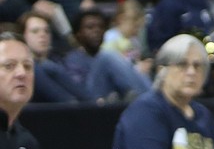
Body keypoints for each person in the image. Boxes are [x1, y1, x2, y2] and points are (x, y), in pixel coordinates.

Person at [23, 10, 151, 103]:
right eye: (35, 31)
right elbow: (69, 92)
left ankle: (149, 96)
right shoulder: (45, 66)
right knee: (107, 57)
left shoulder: (57, 57)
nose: (42, 35)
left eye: (46, 31)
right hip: (85, 101)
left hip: (98, 96)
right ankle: (149, 99)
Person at [101, 0, 152, 78]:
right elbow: (110, 66)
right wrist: (137, 68)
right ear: (121, 19)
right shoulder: (111, 38)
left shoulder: (134, 40)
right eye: (135, 26)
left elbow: (135, 60)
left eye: (139, 27)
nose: (137, 31)